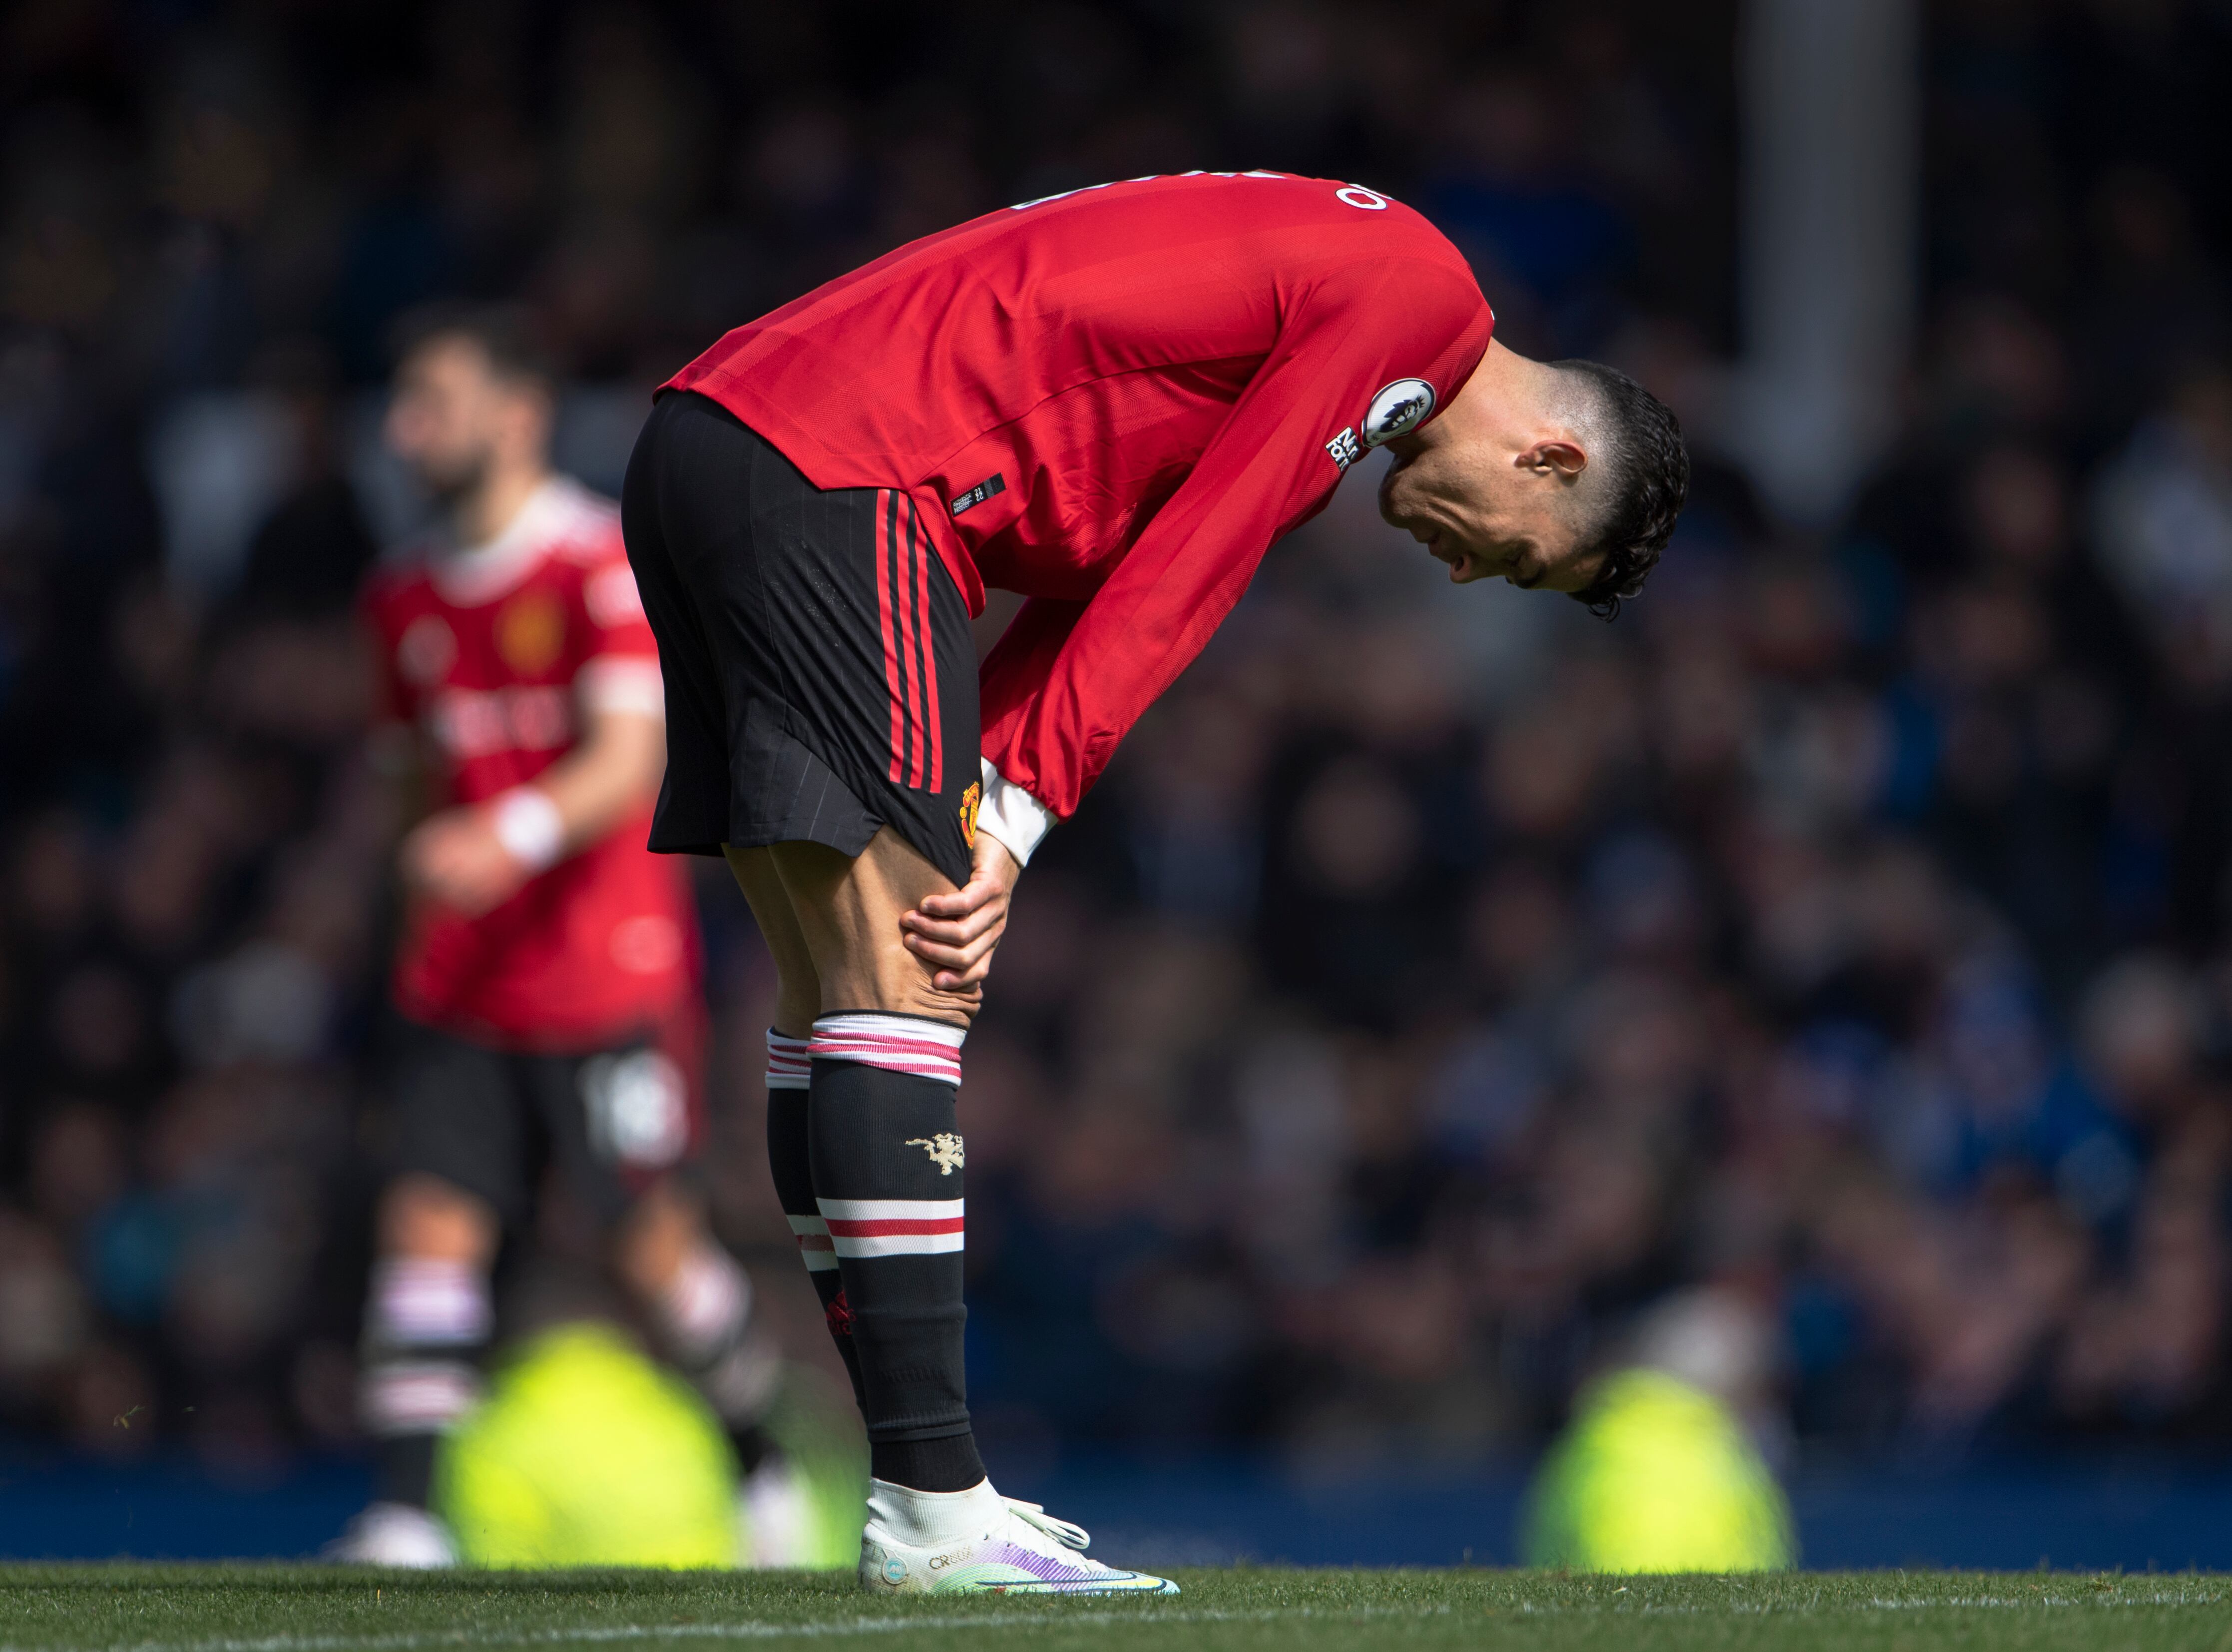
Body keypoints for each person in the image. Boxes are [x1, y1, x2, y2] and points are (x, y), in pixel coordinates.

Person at [622, 169, 1689, 1595]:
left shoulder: (1348, 298)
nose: (1466, 575)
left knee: (829, 996)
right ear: (1549, 459)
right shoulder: (1417, 309)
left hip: (726, 439)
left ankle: (921, 1488)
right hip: (850, 468)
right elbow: (1199, 560)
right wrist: (1015, 812)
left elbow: (1101, 584)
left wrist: (990, 783)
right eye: (1521, 561)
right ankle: (932, 1506)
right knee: (908, 977)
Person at [332, 308, 806, 1568]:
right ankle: (406, 1514)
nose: (405, 430)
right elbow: (406, 783)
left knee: (650, 1246)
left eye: (433, 402)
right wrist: (417, 880)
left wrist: (508, 836)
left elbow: (628, 757)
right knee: (429, 1225)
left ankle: (761, 1462)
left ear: (519, 413)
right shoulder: (401, 598)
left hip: (602, 971)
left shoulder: (595, 563)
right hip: (461, 976)